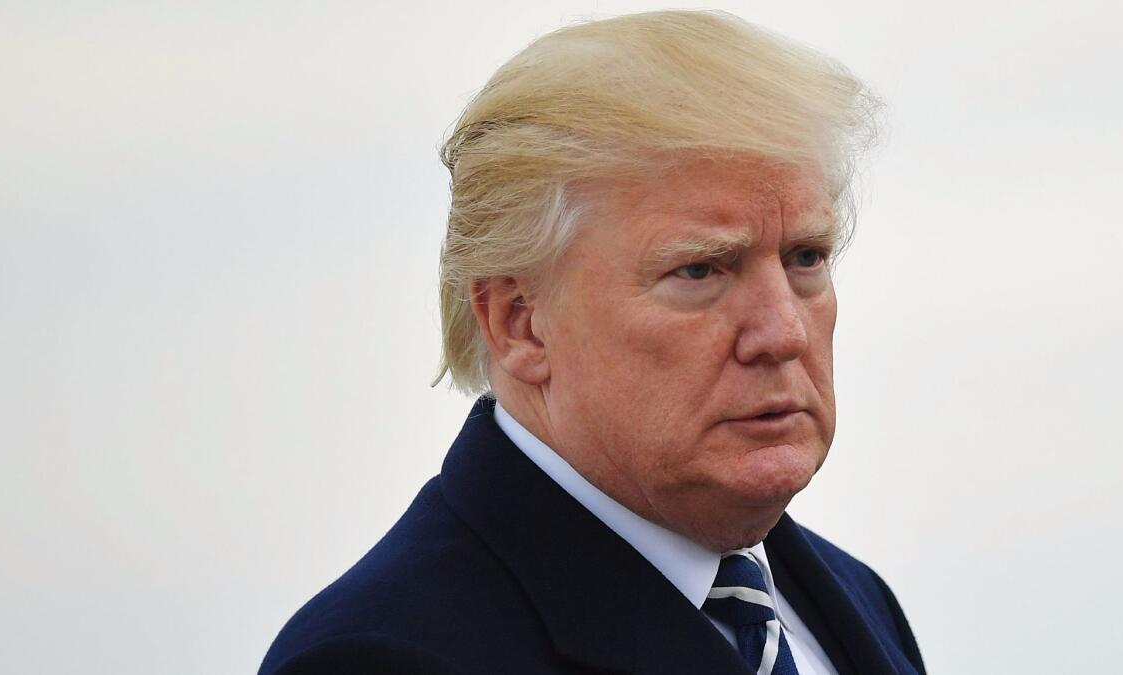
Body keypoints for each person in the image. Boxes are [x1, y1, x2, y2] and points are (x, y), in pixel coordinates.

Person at [260, 10, 925, 675]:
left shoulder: (854, 601)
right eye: (700, 269)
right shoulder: (380, 654)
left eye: (806, 257)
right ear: (520, 322)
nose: (784, 331)